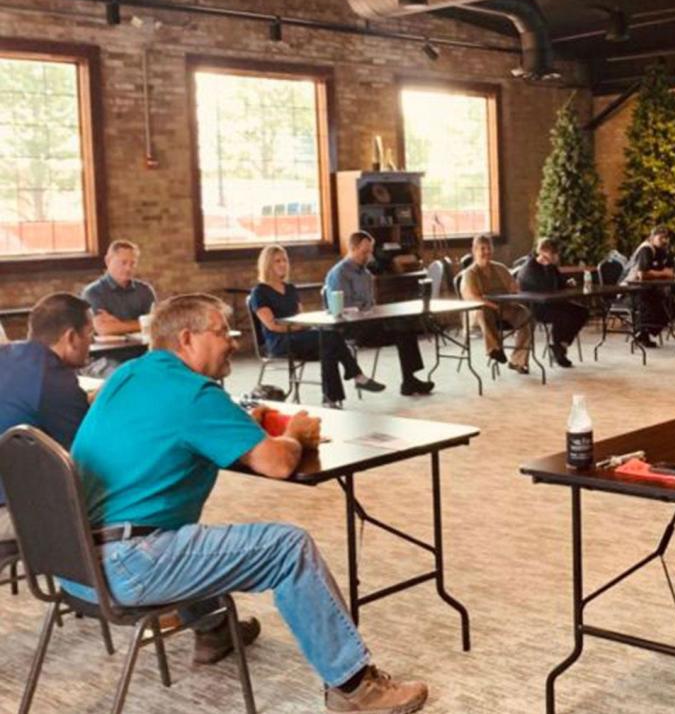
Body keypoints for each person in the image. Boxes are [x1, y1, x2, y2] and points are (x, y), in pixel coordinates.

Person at [63, 294, 429, 711]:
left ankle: (214, 629)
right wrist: (294, 433)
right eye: (221, 333)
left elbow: (171, 429)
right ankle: (354, 687)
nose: (233, 342)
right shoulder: (193, 393)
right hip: (128, 567)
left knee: (185, 532)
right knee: (286, 548)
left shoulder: (127, 376)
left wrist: (239, 426)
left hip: (75, 564)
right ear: (186, 339)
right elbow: (276, 463)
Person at [0, 293, 94, 543]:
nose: (91, 343)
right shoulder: (55, 380)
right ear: (71, 338)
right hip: (10, 513)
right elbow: (86, 452)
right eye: (89, 334)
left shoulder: (7, 355)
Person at [250, 245, 385, 408]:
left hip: (299, 335)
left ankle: (330, 400)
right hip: (279, 340)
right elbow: (272, 325)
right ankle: (356, 377)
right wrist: (299, 327)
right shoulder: (260, 292)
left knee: (328, 345)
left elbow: (300, 316)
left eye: (284, 260)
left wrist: (302, 326)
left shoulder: (290, 289)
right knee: (330, 338)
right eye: (277, 261)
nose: (282, 264)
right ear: (267, 265)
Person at [324, 231, 434, 396]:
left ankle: (409, 380)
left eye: (370, 251)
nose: (368, 256)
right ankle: (409, 381)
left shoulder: (367, 274)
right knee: (400, 328)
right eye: (364, 252)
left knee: (405, 327)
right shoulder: (339, 273)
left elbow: (371, 303)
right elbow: (341, 307)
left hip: (369, 322)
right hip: (351, 327)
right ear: (352, 248)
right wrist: (365, 310)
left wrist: (372, 310)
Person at [459, 235, 533, 373]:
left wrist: (516, 289)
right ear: (474, 250)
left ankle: (518, 361)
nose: (486, 252)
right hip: (479, 313)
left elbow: (513, 287)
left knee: (525, 314)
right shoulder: (469, 273)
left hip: (503, 308)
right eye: (482, 248)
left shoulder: (500, 268)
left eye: (489, 248)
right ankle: (495, 349)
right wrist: (494, 306)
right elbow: (473, 297)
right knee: (483, 310)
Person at [517, 237, 588, 368]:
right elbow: (544, 288)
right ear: (543, 252)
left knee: (582, 312)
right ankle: (558, 350)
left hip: (553, 303)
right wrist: (548, 268)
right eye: (553, 253)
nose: (556, 256)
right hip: (537, 307)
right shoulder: (530, 267)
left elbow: (559, 284)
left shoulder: (552, 267)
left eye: (556, 253)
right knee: (563, 316)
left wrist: (568, 283)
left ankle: (561, 345)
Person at [620, 226, 675, 348]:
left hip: (646, 290)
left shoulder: (662, 251)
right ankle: (641, 332)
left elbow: (669, 269)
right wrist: (664, 273)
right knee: (651, 305)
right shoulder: (646, 249)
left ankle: (643, 333)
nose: (665, 240)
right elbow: (642, 274)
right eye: (661, 237)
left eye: (667, 238)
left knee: (672, 306)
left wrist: (667, 271)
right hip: (628, 291)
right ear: (652, 236)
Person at [82, 239, 156, 336]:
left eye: (133, 263)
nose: (128, 268)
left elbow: (156, 325)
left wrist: (118, 324)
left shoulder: (145, 290)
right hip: (109, 350)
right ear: (108, 261)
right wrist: (140, 324)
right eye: (123, 262)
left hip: (142, 348)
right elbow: (104, 329)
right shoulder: (93, 293)